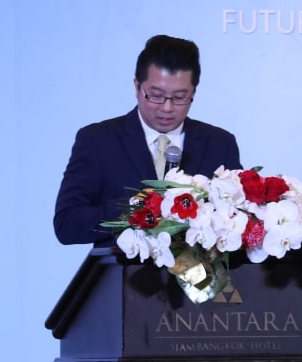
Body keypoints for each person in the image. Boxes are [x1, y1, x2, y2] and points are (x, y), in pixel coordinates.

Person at [54, 34, 242, 246]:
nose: (167, 107)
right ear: (137, 87)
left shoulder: (219, 144)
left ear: (194, 92)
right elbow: (67, 225)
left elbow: (237, 219)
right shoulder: (98, 141)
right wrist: (135, 207)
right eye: (156, 95)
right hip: (122, 267)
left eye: (180, 97)